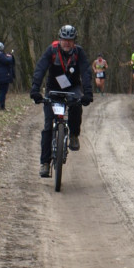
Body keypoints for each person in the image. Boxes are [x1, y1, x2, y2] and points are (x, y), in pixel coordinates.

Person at [29, 24, 93, 177]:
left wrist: (88, 93)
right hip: (53, 88)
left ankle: (74, 135)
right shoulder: (51, 51)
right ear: (60, 39)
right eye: (64, 39)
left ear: (74, 41)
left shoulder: (79, 53)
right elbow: (40, 69)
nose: (67, 43)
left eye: (70, 40)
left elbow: (86, 72)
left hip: (72, 87)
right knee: (48, 126)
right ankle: (45, 163)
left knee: (76, 106)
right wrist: (35, 90)